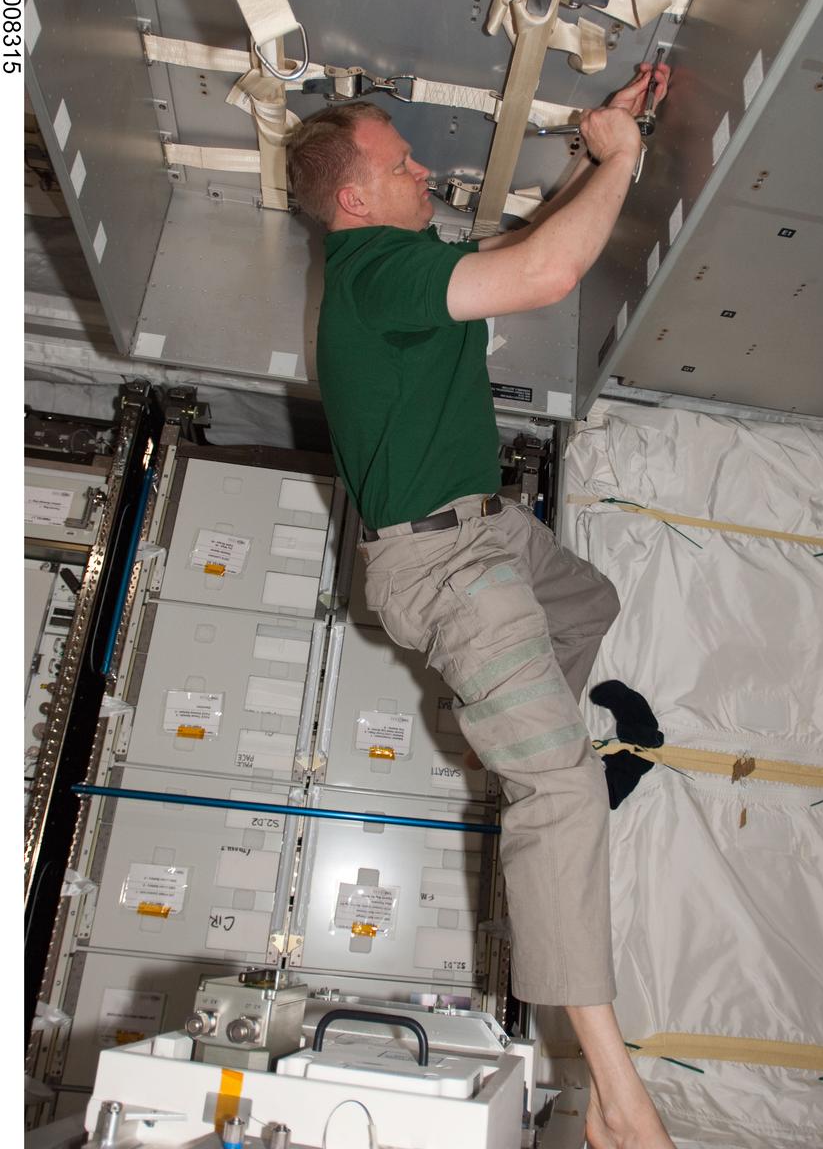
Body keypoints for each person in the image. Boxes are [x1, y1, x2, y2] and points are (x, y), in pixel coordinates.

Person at [287, 62, 674, 1149]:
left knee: (584, 601)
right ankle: (614, 1093)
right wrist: (622, 160)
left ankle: (510, 732)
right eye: (400, 160)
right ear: (355, 197)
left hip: (482, 536)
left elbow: (519, 258)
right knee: (559, 790)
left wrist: (597, 157)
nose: (422, 167)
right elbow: (547, 273)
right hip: (445, 565)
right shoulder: (374, 266)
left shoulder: (392, 266)